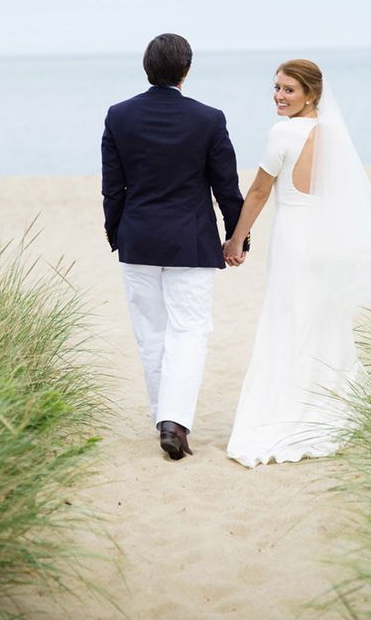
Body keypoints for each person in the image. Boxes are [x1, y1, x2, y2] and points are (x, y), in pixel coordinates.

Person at [223, 59, 371, 467]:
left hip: (294, 242)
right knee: (323, 319)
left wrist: (235, 239)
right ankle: (332, 403)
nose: (279, 96)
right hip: (323, 242)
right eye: (277, 87)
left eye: (289, 89)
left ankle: (288, 408)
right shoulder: (334, 133)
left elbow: (258, 192)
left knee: (288, 320)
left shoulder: (283, 132)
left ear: (311, 94)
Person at [101, 33, 249, 461]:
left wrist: (118, 234)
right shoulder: (208, 119)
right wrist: (238, 237)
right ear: (186, 71)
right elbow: (227, 186)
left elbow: (114, 189)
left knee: (151, 334)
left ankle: (163, 419)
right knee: (190, 331)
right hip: (190, 243)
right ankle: (174, 422)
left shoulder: (119, 116)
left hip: (138, 240)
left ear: (147, 68)